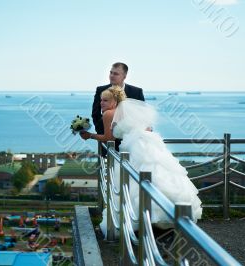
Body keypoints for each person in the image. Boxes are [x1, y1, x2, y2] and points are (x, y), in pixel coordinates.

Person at [82, 86, 203, 238]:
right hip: (148, 141)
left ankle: (143, 217)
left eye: (105, 100)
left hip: (133, 146)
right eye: (101, 100)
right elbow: (148, 128)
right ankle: (171, 213)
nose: (101, 103)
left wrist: (89, 135)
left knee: (135, 177)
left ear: (114, 101)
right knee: (159, 172)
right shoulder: (129, 111)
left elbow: (108, 138)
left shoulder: (108, 114)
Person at [91, 62, 145, 154]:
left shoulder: (137, 92)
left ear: (124, 76)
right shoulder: (100, 90)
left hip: (131, 144)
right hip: (108, 144)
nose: (112, 76)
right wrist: (105, 133)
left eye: (115, 74)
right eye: (111, 72)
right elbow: (95, 114)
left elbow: (142, 116)